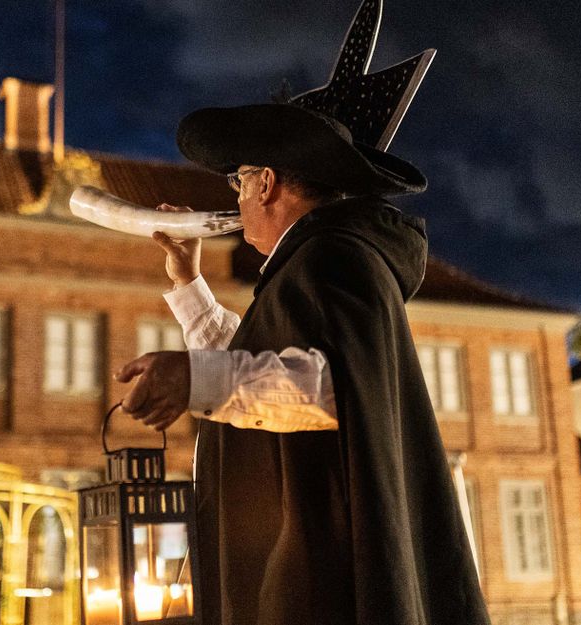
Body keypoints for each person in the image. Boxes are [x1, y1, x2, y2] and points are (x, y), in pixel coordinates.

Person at [112, 102, 491, 625]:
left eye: (238, 183)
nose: (239, 199)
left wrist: (195, 378)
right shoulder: (314, 259)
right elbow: (268, 364)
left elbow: (327, 386)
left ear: (265, 183)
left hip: (325, 576)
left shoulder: (335, 256)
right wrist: (189, 285)